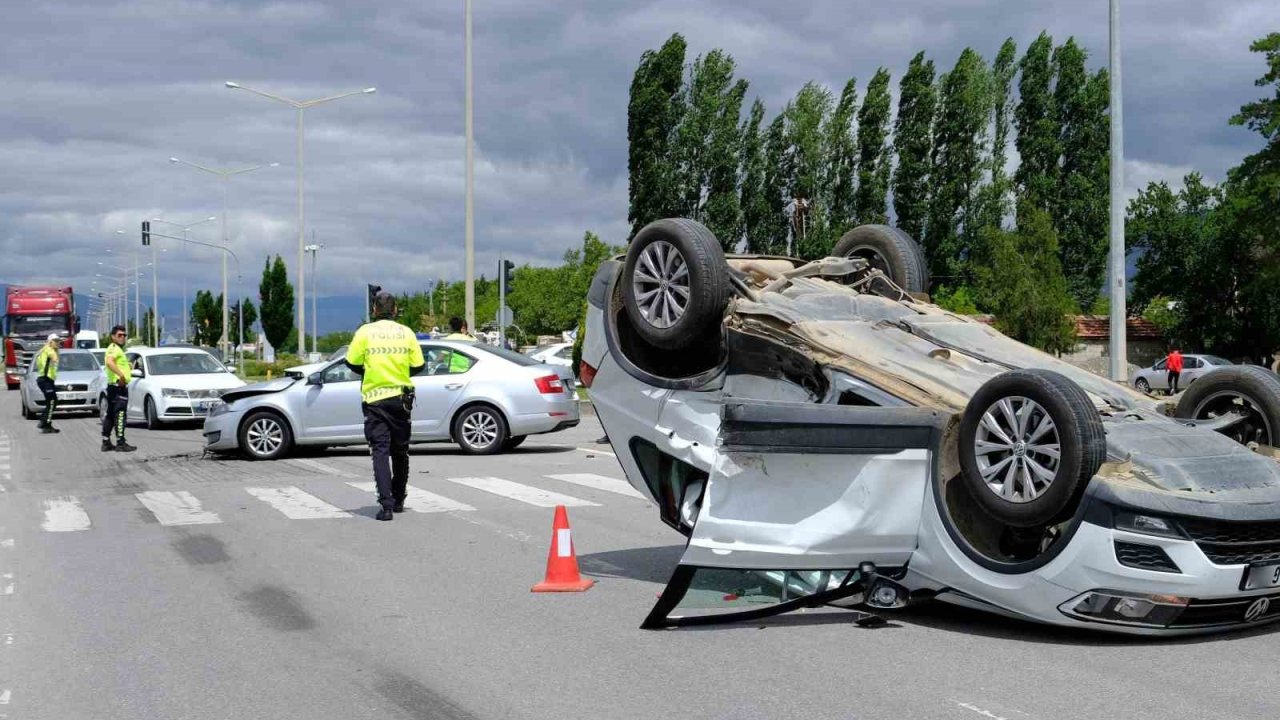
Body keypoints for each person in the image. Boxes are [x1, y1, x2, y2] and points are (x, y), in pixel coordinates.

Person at [346, 292, 424, 521]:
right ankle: (399, 499)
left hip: (375, 400)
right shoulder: (406, 332)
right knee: (400, 451)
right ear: (396, 309)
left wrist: (371, 371)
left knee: (380, 451)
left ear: (374, 310)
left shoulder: (364, 332)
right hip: (401, 400)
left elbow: (351, 362)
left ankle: (386, 506)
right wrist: (399, 372)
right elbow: (418, 365)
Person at [101, 325, 136, 453]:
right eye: (119, 335)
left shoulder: (117, 349)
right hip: (118, 387)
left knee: (110, 415)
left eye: (124, 335)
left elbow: (115, 363)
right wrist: (121, 375)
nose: (122, 337)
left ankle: (106, 442)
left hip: (113, 387)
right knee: (120, 414)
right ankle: (120, 443)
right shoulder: (114, 348)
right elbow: (110, 362)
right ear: (113, 336)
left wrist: (127, 366)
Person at [33, 333, 61, 433]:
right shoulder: (49, 349)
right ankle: (44, 422)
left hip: (47, 380)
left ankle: (46, 424)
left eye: (58, 341)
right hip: (45, 380)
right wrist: (55, 357)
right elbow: (53, 357)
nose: (58, 343)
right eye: (56, 341)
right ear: (50, 342)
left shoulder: (46, 349)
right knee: (53, 401)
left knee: (52, 401)